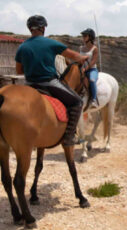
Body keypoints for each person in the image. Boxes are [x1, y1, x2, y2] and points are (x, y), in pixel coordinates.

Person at [15, 15, 91, 145]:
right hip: (49, 83)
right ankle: (68, 137)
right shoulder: (51, 43)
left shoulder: (22, 47)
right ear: (43, 28)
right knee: (77, 102)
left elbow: (19, 71)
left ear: (29, 29)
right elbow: (75, 56)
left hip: (29, 84)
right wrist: (82, 58)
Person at [79, 28, 100, 108]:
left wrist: (85, 69)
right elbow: (79, 59)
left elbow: (93, 62)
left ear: (90, 37)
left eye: (85, 36)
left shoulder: (94, 49)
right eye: (83, 36)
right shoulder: (81, 48)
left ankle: (94, 100)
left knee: (91, 79)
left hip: (92, 70)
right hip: (82, 70)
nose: (83, 37)